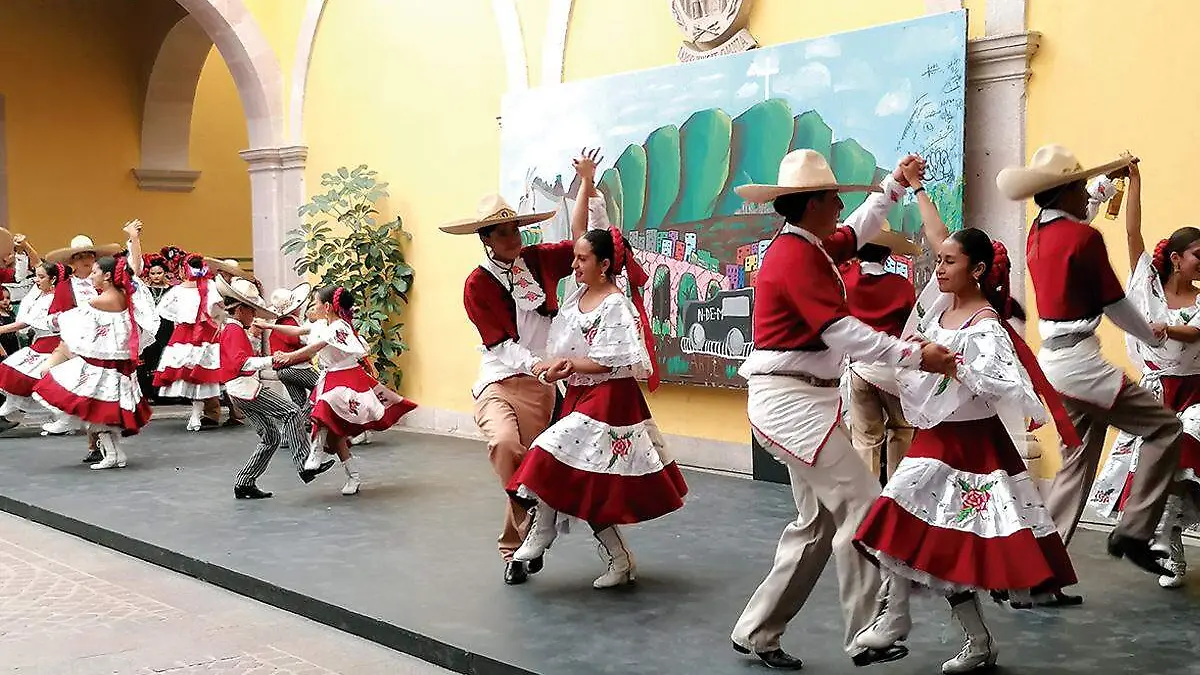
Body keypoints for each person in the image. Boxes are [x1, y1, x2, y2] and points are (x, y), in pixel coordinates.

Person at [727, 150, 955, 671]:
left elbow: (857, 230)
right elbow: (841, 333)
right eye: (831, 196)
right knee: (863, 506)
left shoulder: (808, 246)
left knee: (817, 526)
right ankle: (864, 632)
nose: (838, 203)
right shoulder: (794, 258)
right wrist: (917, 354)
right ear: (809, 205)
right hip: (791, 405)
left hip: (804, 400)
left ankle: (757, 630)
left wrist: (894, 187)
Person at [853, 163, 1080, 674]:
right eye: (938, 262)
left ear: (975, 270)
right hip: (936, 443)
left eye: (949, 263)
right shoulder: (940, 309)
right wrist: (916, 190)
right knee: (915, 536)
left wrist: (952, 363)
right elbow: (939, 236)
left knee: (904, 529)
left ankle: (904, 620)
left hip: (969, 449)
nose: (939, 269)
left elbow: (1005, 383)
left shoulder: (985, 325)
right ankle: (958, 636)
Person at [997, 145, 1182, 588]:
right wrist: (1150, 334)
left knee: (1075, 465)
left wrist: (1106, 184)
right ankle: (1135, 530)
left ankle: (1041, 573)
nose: (1086, 194)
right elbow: (1116, 304)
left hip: (1055, 366)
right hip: (1083, 367)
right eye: (1080, 186)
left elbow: (1081, 214)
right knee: (1165, 430)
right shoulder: (1084, 239)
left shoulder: (1038, 235)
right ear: (1064, 192)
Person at [439, 149, 601, 585]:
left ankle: (517, 550)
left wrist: (586, 184)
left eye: (516, 230)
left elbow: (583, 242)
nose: (513, 238)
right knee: (507, 447)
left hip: (544, 388)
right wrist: (541, 365)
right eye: (503, 233)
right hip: (501, 382)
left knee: (542, 467)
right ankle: (523, 537)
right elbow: (502, 345)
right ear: (486, 239)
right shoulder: (477, 283)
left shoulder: (538, 260)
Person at [1089, 160, 1200, 589]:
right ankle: (1168, 547)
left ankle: (1160, 533)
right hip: (1157, 394)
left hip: (1193, 393)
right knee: (1157, 474)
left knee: (1184, 447)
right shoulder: (1147, 285)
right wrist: (1135, 182)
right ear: (1176, 258)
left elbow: (1192, 333)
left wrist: (1166, 328)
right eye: (1197, 257)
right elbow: (1131, 233)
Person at [270, 286, 417, 496]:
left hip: (348, 378)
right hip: (330, 378)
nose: (314, 306)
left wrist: (289, 357)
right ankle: (353, 475)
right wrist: (267, 324)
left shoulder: (340, 327)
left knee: (323, 406)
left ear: (327, 306)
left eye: (316, 303)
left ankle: (316, 450)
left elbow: (316, 347)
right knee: (336, 435)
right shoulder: (322, 324)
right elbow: (296, 331)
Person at [32, 255, 160, 469]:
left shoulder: (101, 300)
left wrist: (52, 320)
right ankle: (115, 453)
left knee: (87, 404)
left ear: (107, 276)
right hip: (115, 366)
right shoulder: (122, 296)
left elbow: (74, 320)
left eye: (95, 272)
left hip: (105, 367)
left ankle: (108, 451)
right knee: (103, 412)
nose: (92, 276)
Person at [216, 276, 333, 499]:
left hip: (238, 389)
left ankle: (245, 482)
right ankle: (306, 464)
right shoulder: (234, 330)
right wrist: (273, 360)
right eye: (252, 310)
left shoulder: (231, 329)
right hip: (245, 387)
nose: (255, 315)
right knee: (291, 412)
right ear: (241, 310)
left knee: (270, 436)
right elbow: (243, 363)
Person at [842, 225, 920, 484]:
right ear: (887, 254)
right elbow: (912, 326)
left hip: (859, 369)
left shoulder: (848, 281)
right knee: (902, 429)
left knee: (865, 438)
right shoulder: (901, 286)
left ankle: (866, 502)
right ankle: (896, 496)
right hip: (892, 370)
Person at [42, 233, 123, 460]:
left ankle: (96, 446)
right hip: (71, 343)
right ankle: (66, 416)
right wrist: (64, 319)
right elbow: (52, 318)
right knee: (46, 372)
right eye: (80, 257)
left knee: (95, 393)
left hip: (100, 345)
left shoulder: (106, 285)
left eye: (90, 256)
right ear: (72, 262)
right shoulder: (65, 287)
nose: (86, 260)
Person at [152, 253, 223, 430]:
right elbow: (217, 309)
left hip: (184, 333)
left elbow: (163, 308)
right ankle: (196, 415)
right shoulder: (209, 285)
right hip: (205, 332)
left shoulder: (178, 289)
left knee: (188, 373)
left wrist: (180, 317)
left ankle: (196, 415)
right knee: (201, 374)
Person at [0, 263, 72, 433]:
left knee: (31, 377)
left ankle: (62, 416)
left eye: (41, 277)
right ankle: (8, 407)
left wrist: (2, 329)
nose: (37, 281)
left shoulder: (53, 298)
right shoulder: (40, 295)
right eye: (36, 276)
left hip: (51, 344)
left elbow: (27, 322)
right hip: (40, 342)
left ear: (53, 279)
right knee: (14, 372)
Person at [266, 283, 317, 407]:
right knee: (321, 386)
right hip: (295, 367)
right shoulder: (290, 322)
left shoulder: (279, 323)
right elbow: (295, 340)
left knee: (298, 401)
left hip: (282, 370)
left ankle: (301, 423)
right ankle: (308, 417)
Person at [137, 253, 176, 403]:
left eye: (159, 273)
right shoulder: (145, 290)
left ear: (165, 273)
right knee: (150, 356)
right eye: (152, 273)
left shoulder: (172, 290)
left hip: (167, 326)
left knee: (164, 355)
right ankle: (149, 391)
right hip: (150, 326)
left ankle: (165, 392)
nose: (156, 276)